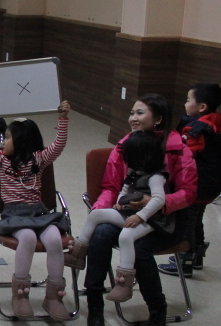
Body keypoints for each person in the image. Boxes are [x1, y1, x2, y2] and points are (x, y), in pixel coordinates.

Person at [67, 94, 197, 326]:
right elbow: (111, 186)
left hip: (166, 220)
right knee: (101, 233)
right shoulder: (125, 145)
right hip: (129, 213)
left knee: (139, 248)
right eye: (132, 113)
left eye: (140, 113)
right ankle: (95, 301)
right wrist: (103, 209)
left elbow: (188, 194)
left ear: (158, 119)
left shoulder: (179, 149)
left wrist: (153, 204)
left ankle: (157, 309)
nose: (133, 118)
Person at [0, 97, 71, 319]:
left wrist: (63, 118)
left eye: (8, 137)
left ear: (22, 141)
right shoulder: (1, 160)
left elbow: (58, 145)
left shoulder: (39, 159)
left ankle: (53, 297)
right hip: (15, 214)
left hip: (39, 213)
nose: (3, 141)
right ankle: (20, 295)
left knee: (54, 240)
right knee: (27, 238)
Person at [69, 130, 169, 304]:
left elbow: (159, 200)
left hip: (151, 219)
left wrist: (140, 216)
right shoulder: (134, 170)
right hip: (130, 213)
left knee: (126, 236)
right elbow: (126, 188)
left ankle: (124, 282)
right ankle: (78, 253)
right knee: (96, 214)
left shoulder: (156, 176)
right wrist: (119, 203)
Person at [159, 82, 221, 275]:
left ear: (202, 107)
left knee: (186, 221)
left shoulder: (197, 130)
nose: (185, 104)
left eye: (188, 100)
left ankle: (185, 260)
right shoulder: (219, 123)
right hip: (211, 183)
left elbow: (184, 154)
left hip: (196, 183)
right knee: (196, 218)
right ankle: (197, 256)